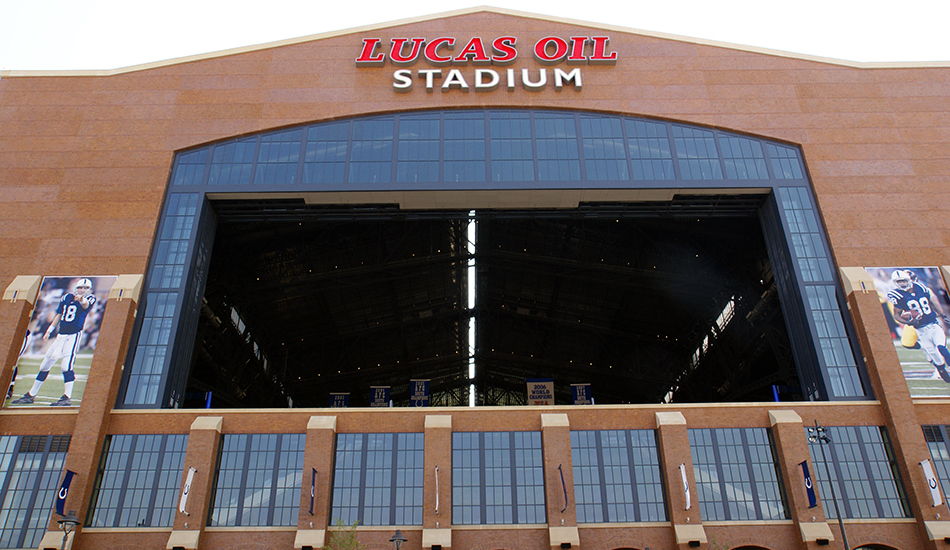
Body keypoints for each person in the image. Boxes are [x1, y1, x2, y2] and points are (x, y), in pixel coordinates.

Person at [12, 278, 96, 406]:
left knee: (66, 366)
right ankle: (31, 395)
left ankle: (67, 397)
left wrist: (81, 299)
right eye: (80, 287)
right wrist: (49, 330)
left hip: (73, 336)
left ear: (89, 289)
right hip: (60, 335)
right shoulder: (67, 297)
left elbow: (86, 305)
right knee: (45, 365)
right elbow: (59, 314)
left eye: (85, 288)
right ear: (76, 287)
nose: (82, 290)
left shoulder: (90, 298)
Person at [887, 270, 950, 383]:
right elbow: (897, 314)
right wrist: (909, 321)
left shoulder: (921, 287)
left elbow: (933, 302)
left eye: (904, 280)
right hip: (919, 328)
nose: (902, 283)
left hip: (933, 324)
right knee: (910, 345)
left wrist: (942, 315)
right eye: (899, 281)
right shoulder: (898, 295)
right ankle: (941, 371)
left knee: (940, 347)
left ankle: (942, 369)